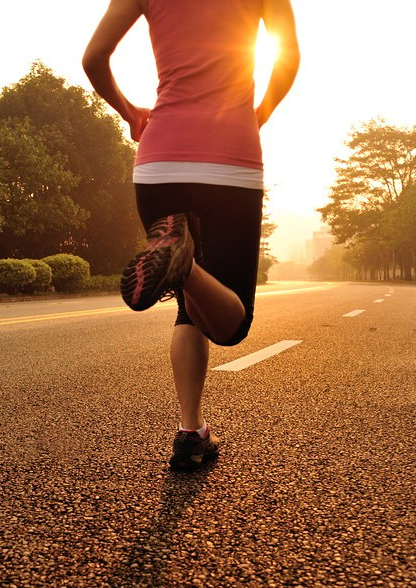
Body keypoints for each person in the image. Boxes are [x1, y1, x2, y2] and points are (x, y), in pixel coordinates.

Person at [83, 0, 299, 470]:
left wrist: (129, 112)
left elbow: (93, 59)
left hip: (159, 163)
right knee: (232, 324)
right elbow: (288, 59)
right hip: (231, 160)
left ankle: (190, 432)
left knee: (189, 305)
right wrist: (255, 115)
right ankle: (183, 262)